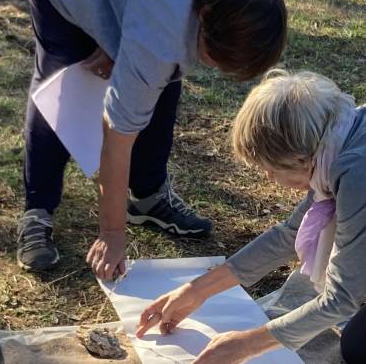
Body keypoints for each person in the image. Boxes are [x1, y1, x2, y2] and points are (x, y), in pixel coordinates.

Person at [15, 0, 287, 278]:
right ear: (205, 12)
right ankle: (38, 209)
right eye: (213, 56)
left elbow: (162, 53)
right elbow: (117, 136)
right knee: (63, 68)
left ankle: (147, 195)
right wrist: (112, 235)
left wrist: (119, 40)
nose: (212, 67)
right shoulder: (162, 33)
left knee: (164, 73)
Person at [136, 71, 366, 364]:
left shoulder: (355, 172)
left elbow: (343, 296)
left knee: (358, 347)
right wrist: (197, 290)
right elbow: (289, 233)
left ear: (298, 157)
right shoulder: (335, 140)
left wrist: (247, 345)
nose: (270, 179)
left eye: (269, 169)